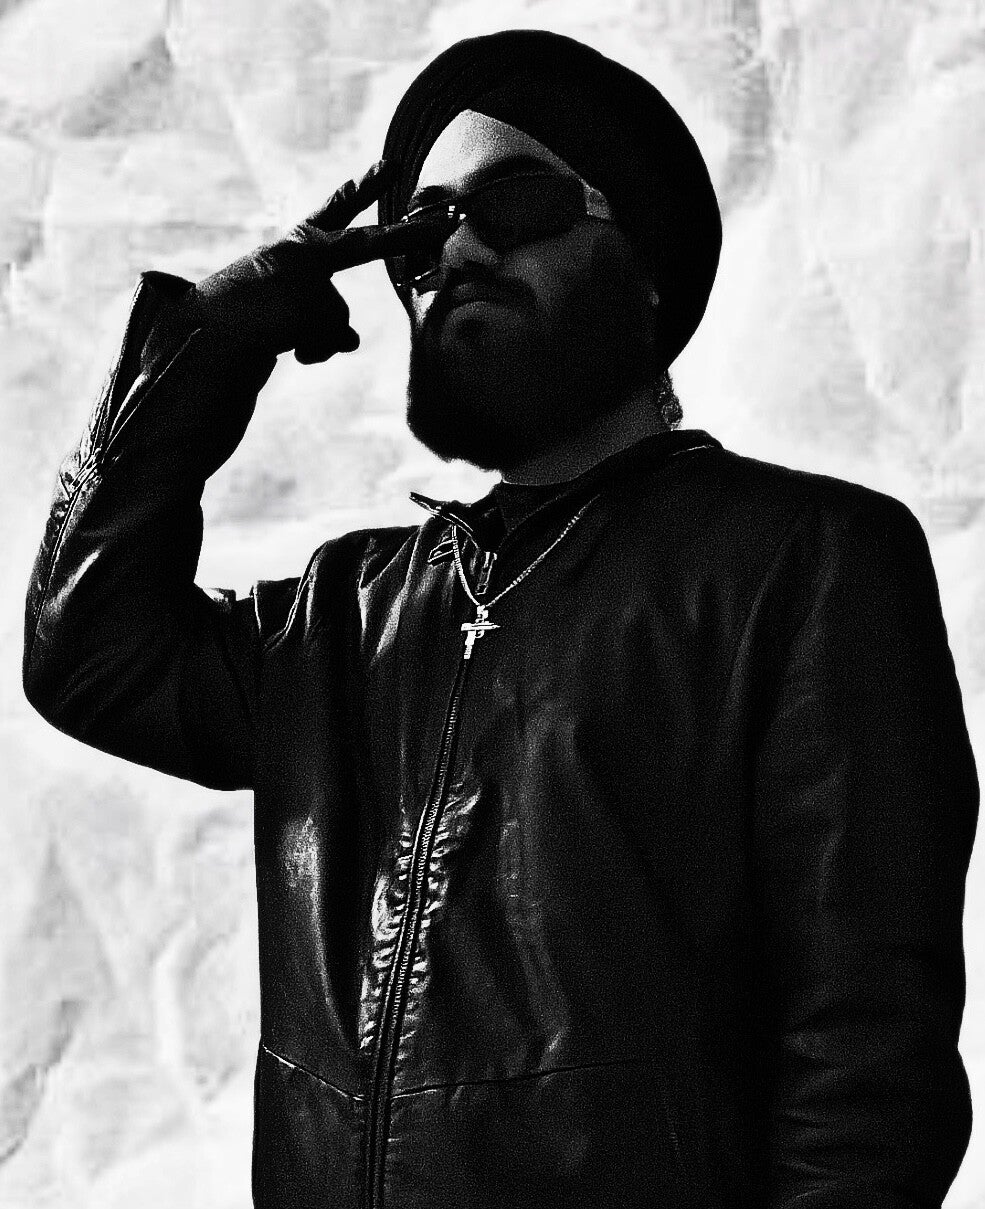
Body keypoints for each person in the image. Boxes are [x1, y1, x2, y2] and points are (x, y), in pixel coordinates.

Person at [22, 28, 978, 1209]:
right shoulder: (347, 611)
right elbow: (90, 657)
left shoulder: (804, 560)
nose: (457, 251)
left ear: (647, 267)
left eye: (515, 204)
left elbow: (867, 1062)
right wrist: (204, 351)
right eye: (419, 235)